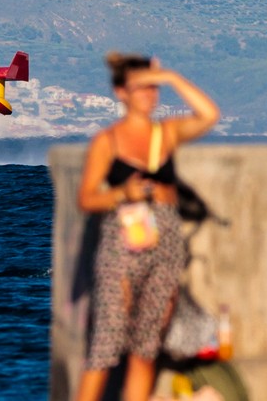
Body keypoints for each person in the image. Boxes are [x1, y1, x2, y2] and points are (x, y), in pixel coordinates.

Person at [75, 53, 220, 401]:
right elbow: (86, 198)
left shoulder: (166, 133)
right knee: (106, 344)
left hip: (165, 240)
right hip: (121, 241)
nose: (150, 95)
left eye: (154, 89)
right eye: (142, 88)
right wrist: (122, 193)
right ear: (121, 92)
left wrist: (170, 76)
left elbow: (209, 115)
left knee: (146, 347)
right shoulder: (107, 141)